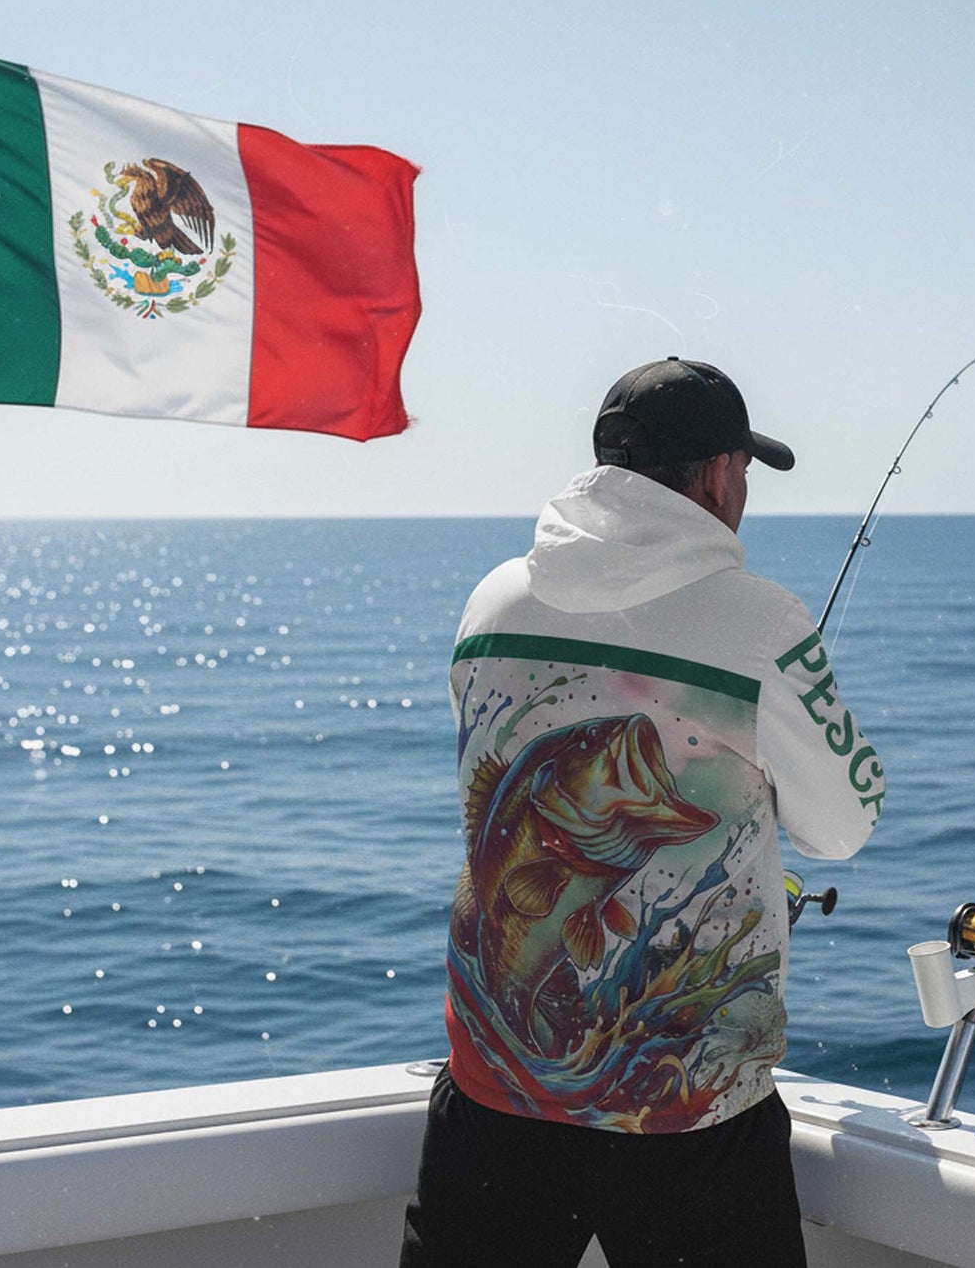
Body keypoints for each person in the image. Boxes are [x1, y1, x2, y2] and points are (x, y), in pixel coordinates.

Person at [400, 358, 885, 1268]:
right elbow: (845, 822)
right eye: (741, 470)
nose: (742, 492)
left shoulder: (492, 601)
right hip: (687, 1113)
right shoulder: (761, 623)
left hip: (493, 1095)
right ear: (713, 475)